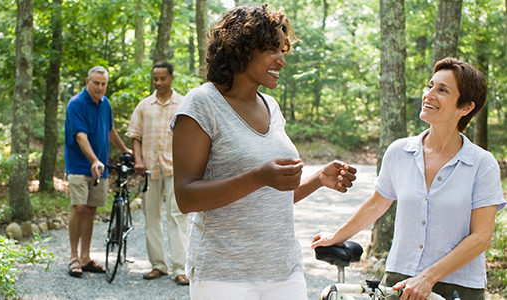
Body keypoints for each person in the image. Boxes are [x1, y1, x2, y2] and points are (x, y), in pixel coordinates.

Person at [171, 5, 357, 299]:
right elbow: (185, 197)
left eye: (283, 50)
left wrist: (319, 178)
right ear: (240, 48)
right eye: (272, 49)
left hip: (285, 272)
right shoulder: (202, 104)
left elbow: (272, 197)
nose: (282, 61)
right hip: (224, 275)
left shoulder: (272, 107)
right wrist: (258, 177)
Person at [311, 58, 506, 300]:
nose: (429, 94)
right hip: (398, 282)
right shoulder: (399, 152)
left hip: (458, 286)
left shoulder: (481, 163)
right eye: (430, 86)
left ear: (465, 107)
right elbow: (376, 204)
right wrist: (336, 237)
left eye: (442, 90)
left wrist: (428, 277)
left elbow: (481, 237)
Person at [126, 61, 190, 285]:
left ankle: (180, 268)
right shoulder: (144, 106)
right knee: (151, 217)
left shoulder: (184, 104)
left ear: (171, 78)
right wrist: (138, 159)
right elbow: (135, 135)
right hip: (149, 169)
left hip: (176, 168)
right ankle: (158, 265)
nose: (159, 82)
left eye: (163, 78)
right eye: (155, 78)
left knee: (178, 216)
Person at [64, 66, 131, 278]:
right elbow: (80, 137)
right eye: (96, 83)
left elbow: (110, 129)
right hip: (79, 166)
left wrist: (125, 150)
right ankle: (73, 257)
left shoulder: (105, 103)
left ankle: (85, 257)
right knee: (79, 207)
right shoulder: (76, 104)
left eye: (103, 84)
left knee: (91, 210)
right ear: (87, 81)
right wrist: (94, 160)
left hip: (99, 169)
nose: (100, 88)